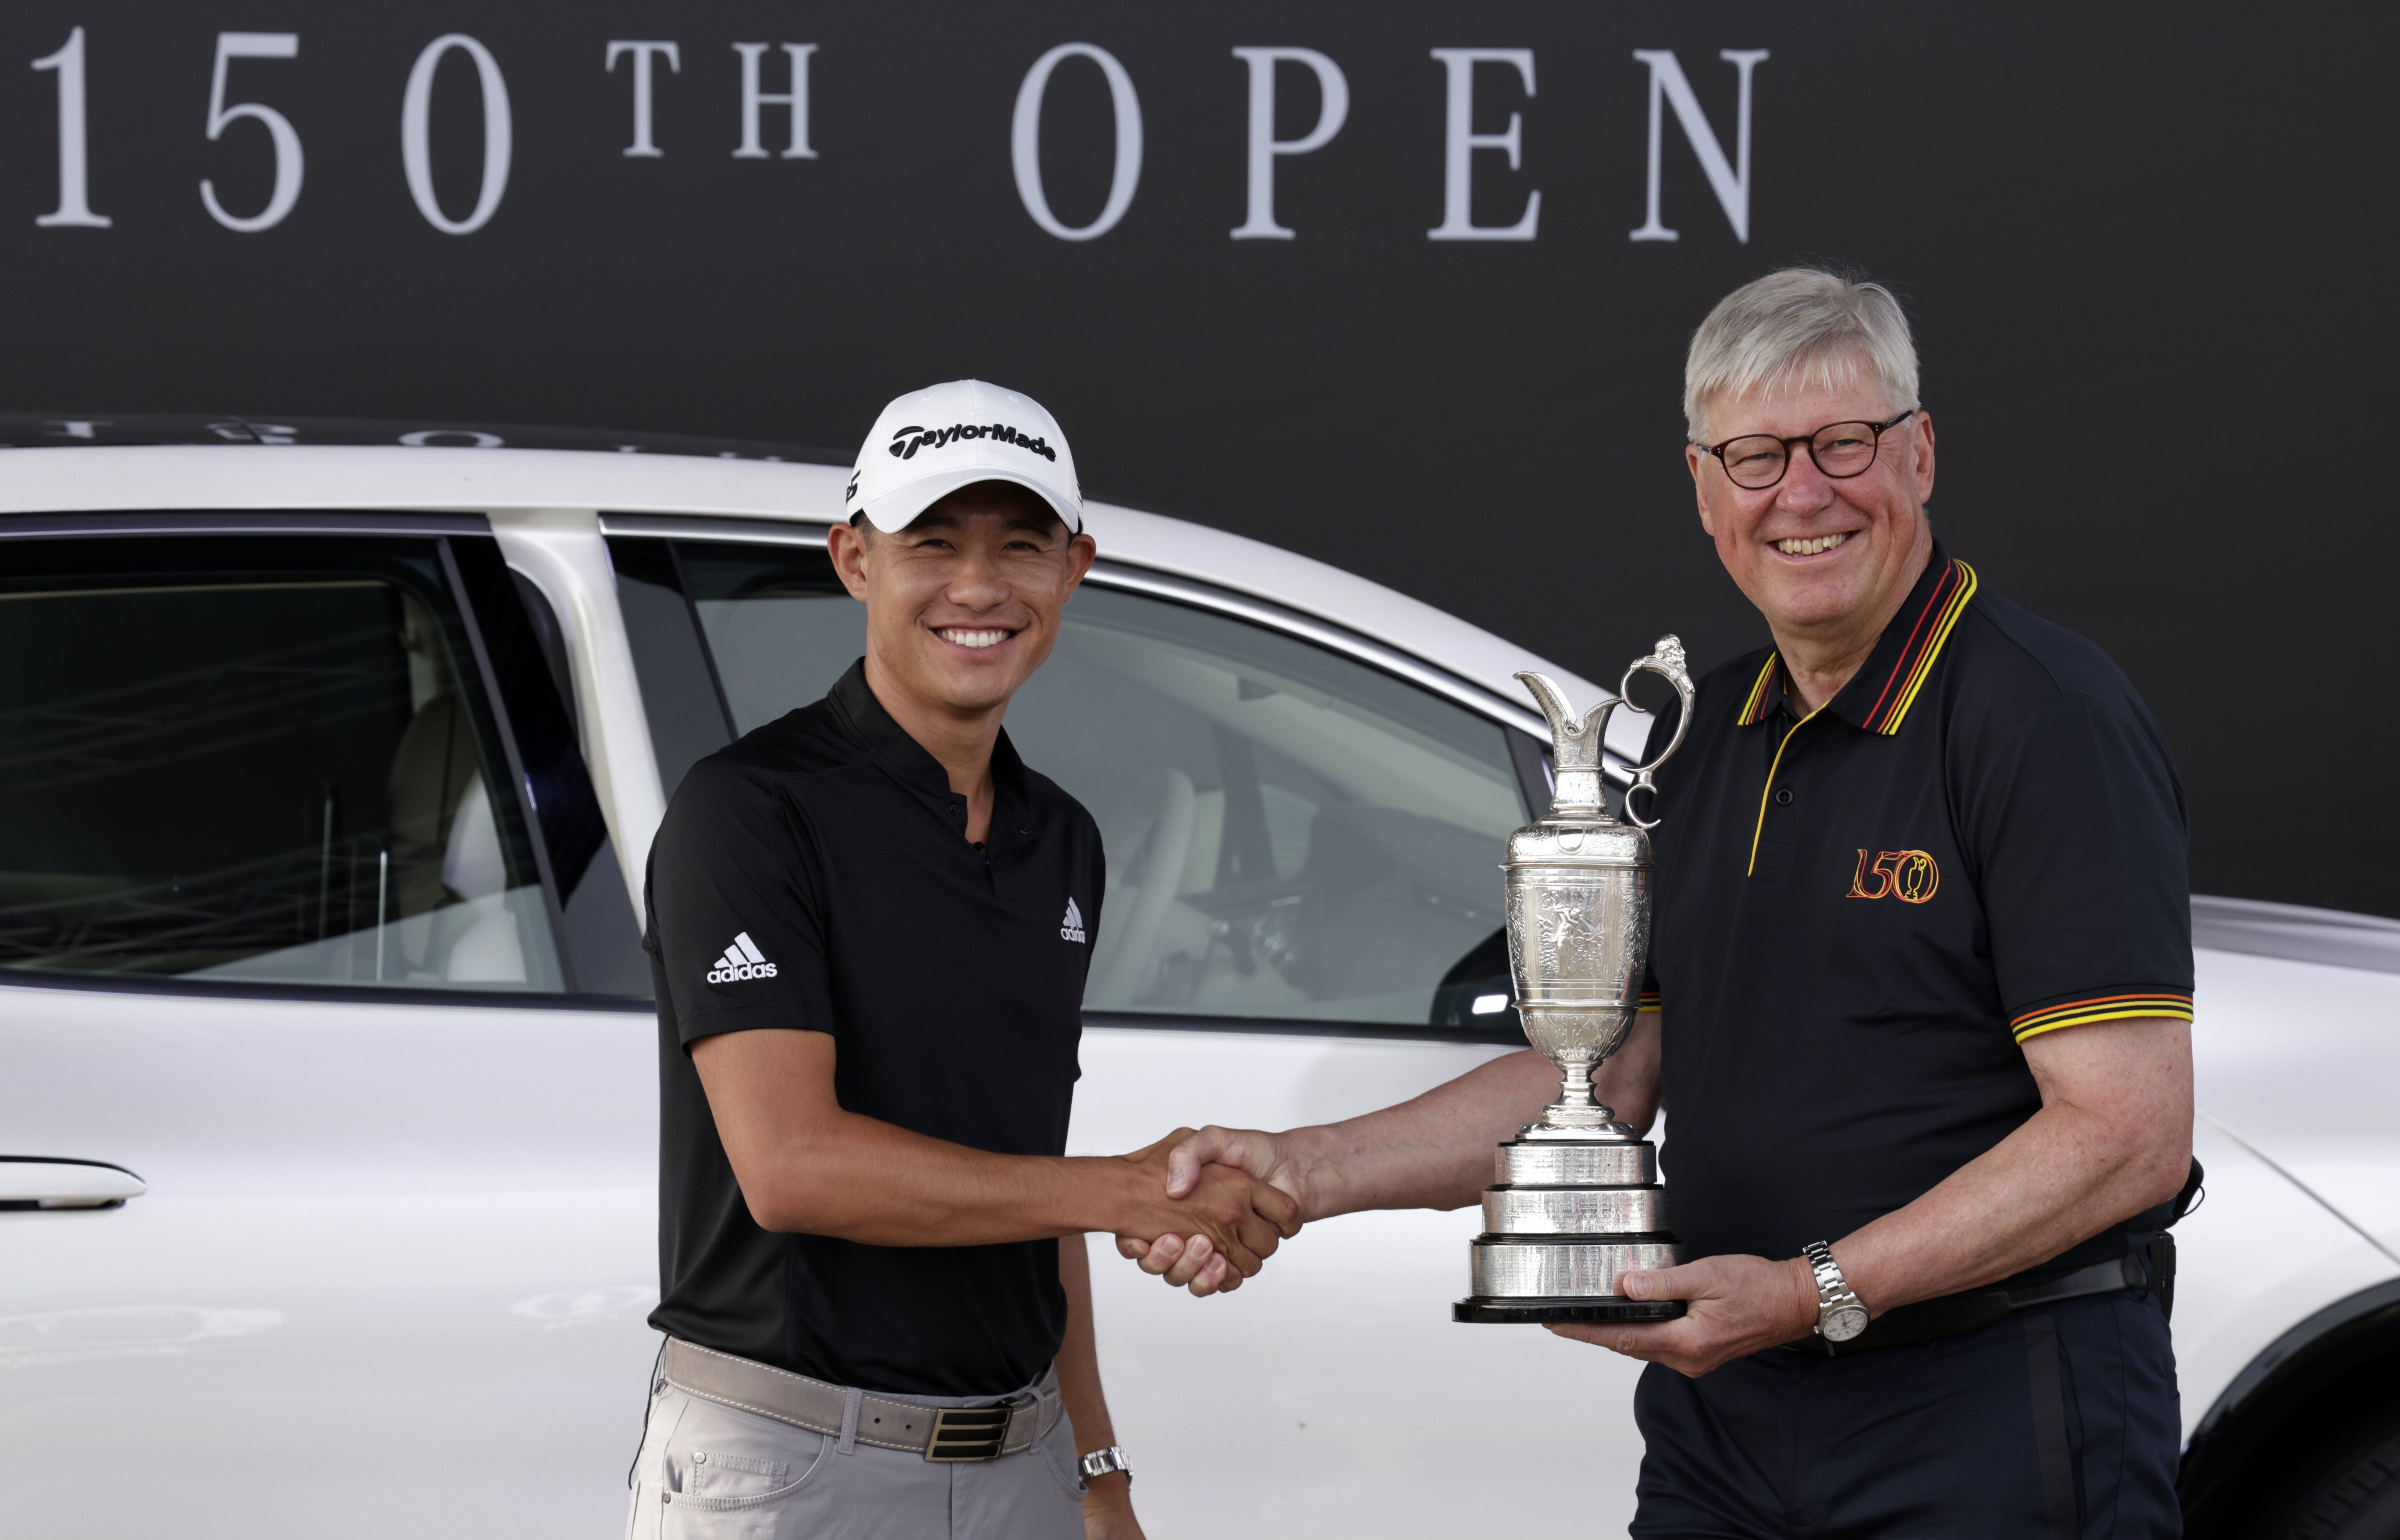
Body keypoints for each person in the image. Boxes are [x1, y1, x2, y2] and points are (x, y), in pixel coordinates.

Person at [1129, 271, 2197, 1538]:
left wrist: (1814, 1292)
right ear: (1703, 491)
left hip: (1986, 1409)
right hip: (1731, 1424)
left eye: (1842, 444)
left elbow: (2129, 1135)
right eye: (1755, 457)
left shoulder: (2043, 718)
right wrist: (1303, 1170)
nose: (1801, 495)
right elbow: (1604, 1079)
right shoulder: (1698, 740)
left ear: (1918, 456)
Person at [627, 378, 1301, 1540]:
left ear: (1075, 569)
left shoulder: (1065, 840)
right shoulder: (748, 811)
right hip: (791, 1468)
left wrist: (1099, 1469)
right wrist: (1128, 1190)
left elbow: (1024, 1180)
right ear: (855, 560)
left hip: (1022, 1465)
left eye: (1022, 546)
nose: (980, 588)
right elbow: (792, 1166)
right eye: (932, 542)